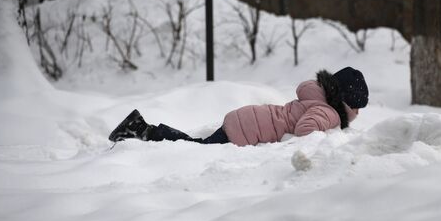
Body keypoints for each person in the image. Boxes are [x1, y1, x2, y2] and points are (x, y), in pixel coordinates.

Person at [108, 67, 369, 146]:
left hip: (247, 118)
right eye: (357, 109)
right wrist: (322, 138)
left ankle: (141, 129)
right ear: (345, 103)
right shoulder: (329, 114)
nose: (356, 115)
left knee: (197, 145)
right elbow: (305, 129)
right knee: (195, 148)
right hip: (246, 131)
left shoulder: (315, 99)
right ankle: (141, 130)